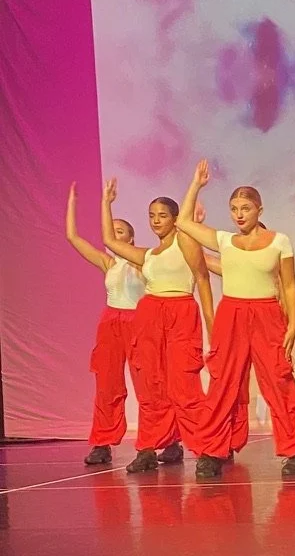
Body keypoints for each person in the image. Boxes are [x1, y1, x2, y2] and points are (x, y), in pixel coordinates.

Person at [176, 161, 295, 478]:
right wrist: (196, 184)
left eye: (246, 208)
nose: (240, 214)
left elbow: (290, 286)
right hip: (232, 314)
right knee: (223, 382)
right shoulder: (225, 241)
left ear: (259, 209)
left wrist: (293, 323)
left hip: (267, 315)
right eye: (235, 208)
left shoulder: (280, 241)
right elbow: (183, 221)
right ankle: (212, 449)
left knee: (278, 382)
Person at [101, 180, 214, 473]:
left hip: (180, 311)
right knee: (151, 386)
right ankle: (149, 447)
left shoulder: (185, 241)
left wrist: (211, 324)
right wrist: (107, 203)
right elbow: (111, 242)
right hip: (149, 315)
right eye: (152, 216)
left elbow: (203, 278)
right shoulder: (148, 255)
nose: (155, 221)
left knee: (184, 385)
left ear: (175, 219)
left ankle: (207, 449)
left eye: (162, 215)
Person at [66, 182, 146, 466]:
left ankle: (158, 441)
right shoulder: (107, 263)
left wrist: (107, 204)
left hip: (138, 322)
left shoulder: (142, 260)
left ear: (132, 239)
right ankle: (102, 442)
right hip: (111, 321)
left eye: (120, 231)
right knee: (107, 384)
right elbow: (73, 237)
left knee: (148, 384)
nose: (114, 235)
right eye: (112, 230)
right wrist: (74, 203)